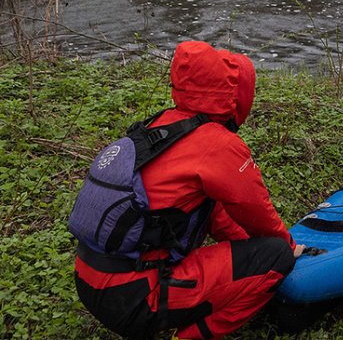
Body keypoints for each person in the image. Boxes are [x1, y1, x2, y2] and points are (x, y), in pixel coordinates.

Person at [72, 41, 303, 340]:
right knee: (277, 256)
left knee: (259, 248)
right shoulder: (218, 144)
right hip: (136, 296)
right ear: (235, 96)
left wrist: (248, 251)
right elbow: (257, 213)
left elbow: (214, 215)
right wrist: (287, 246)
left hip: (90, 282)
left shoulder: (161, 126)